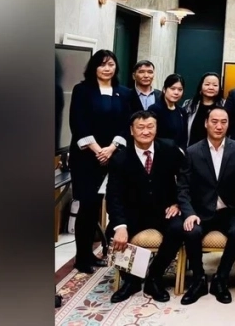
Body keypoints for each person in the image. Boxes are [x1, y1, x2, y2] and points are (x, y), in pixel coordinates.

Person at [106, 111, 186, 303]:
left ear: (156, 128)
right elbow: (113, 196)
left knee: (178, 229)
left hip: (164, 210)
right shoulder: (120, 158)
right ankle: (131, 281)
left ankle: (154, 277)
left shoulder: (169, 148)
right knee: (112, 233)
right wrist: (120, 226)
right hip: (133, 213)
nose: (146, 131)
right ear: (131, 131)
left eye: (150, 126)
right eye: (140, 127)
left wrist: (177, 202)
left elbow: (186, 177)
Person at [178, 107, 235, 305]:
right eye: (214, 121)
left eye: (223, 122)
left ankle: (221, 278)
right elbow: (183, 188)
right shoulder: (193, 151)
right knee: (191, 232)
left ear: (228, 124)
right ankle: (198, 280)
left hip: (228, 209)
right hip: (200, 210)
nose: (219, 126)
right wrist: (189, 213)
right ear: (206, 123)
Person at [68, 49, 131, 273]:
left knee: (109, 204)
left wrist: (111, 149)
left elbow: (128, 124)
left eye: (111, 64)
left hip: (114, 156)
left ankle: (98, 254)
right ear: (94, 67)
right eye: (102, 64)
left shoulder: (125, 93)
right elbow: (78, 123)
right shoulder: (82, 90)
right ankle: (82, 257)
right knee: (87, 208)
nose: (107, 68)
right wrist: (98, 150)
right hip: (86, 158)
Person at [182, 72, 224, 147]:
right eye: (207, 84)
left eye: (215, 85)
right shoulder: (189, 104)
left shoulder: (224, 105)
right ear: (201, 86)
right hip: (192, 149)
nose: (211, 87)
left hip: (216, 150)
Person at [148, 74, 188, 151]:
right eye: (173, 89)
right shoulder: (154, 109)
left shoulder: (182, 111)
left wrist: (182, 150)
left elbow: (184, 137)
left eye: (180, 89)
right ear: (164, 89)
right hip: (159, 152)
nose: (176, 92)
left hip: (178, 154)